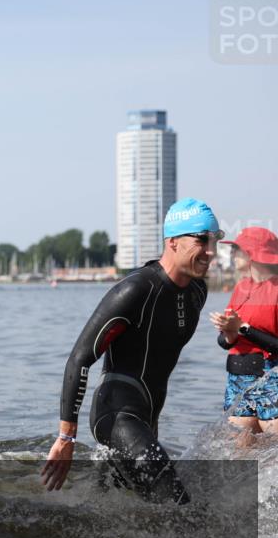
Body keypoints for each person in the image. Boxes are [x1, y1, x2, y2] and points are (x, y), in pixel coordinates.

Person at [40, 198, 221, 504]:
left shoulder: (197, 292)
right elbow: (79, 359)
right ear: (173, 242)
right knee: (180, 510)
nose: (211, 251)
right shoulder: (135, 290)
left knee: (114, 509)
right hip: (117, 415)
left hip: (146, 419)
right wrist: (66, 437)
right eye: (202, 240)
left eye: (215, 241)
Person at [209, 227, 278, 435]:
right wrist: (229, 334)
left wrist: (243, 329)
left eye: (237, 249)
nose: (232, 255)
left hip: (271, 381)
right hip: (238, 381)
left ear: (252, 254)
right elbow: (224, 342)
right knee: (238, 456)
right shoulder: (241, 288)